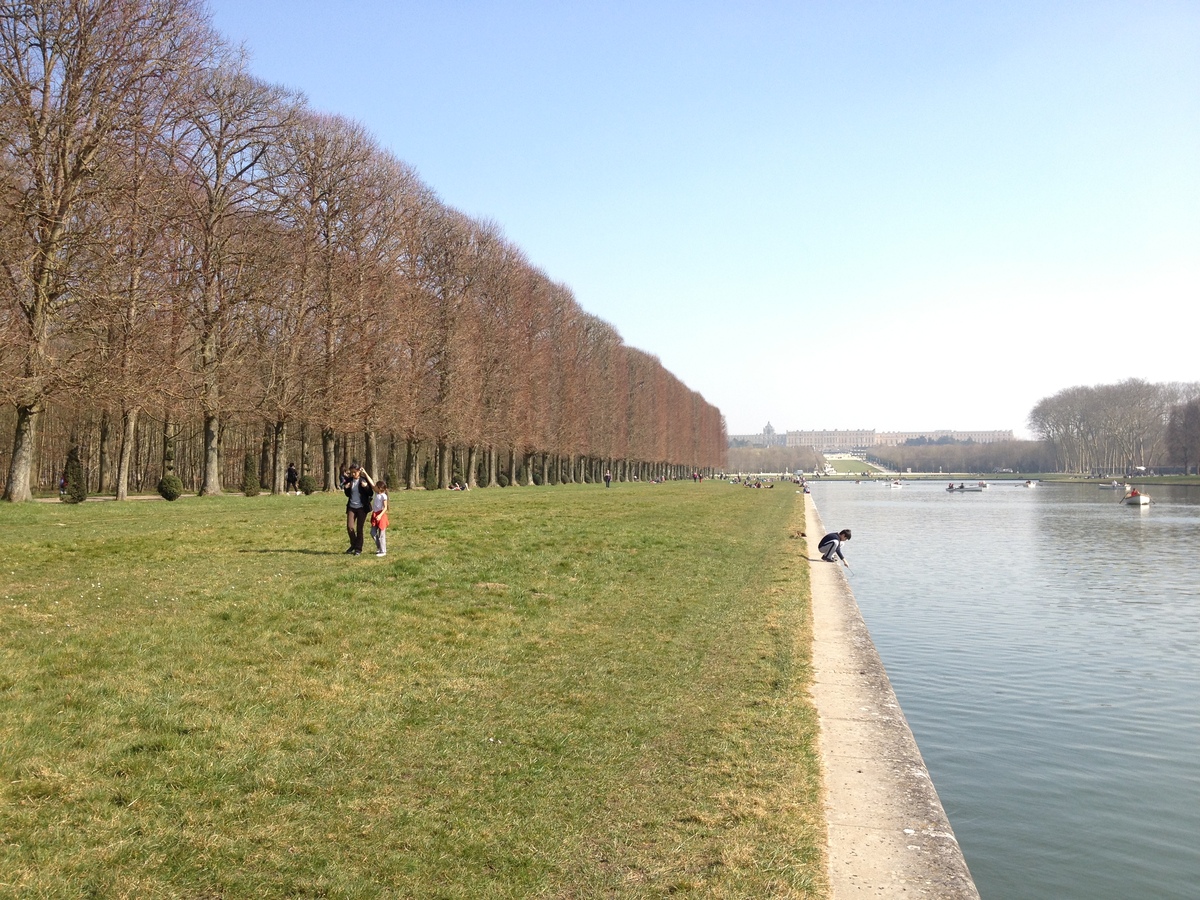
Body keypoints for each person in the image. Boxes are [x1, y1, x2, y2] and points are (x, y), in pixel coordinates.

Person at [342, 462, 373, 556]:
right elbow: (347, 494)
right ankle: (354, 545)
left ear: (359, 471)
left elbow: (371, 493)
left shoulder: (363, 480)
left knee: (359, 529)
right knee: (350, 527)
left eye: (355, 472)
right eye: (351, 472)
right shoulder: (349, 480)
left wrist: (366, 487)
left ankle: (358, 549)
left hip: (362, 508)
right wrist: (346, 488)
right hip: (351, 507)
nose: (353, 474)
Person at [369, 479, 389, 557]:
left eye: (376, 486)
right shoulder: (376, 493)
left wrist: (380, 515)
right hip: (375, 515)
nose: (375, 487)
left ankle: (383, 551)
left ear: (379, 488)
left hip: (381, 516)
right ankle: (379, 547)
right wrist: (365, 473)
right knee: (372, 532)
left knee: (382, 534)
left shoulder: (383, 496)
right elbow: (371, 484)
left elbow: (385, 508)